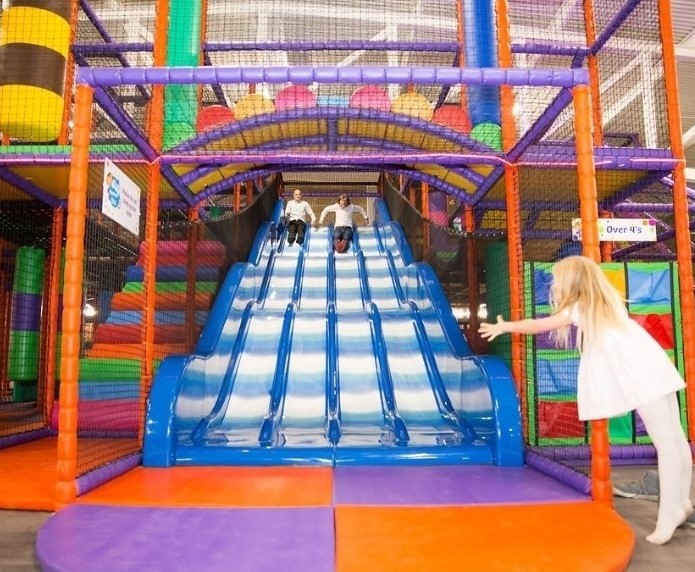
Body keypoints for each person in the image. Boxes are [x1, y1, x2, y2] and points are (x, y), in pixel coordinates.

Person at [478, 255, 693, 545]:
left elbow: (539, 326)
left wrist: (505, 327)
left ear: (572, 283)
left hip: (640, 372)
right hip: (653, 364)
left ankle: (670, 513)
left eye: (557, 280)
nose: (554, 285)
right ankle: (681, 503)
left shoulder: (582, 306)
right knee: (675, 440)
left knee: (667, 444)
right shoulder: (607, 302)